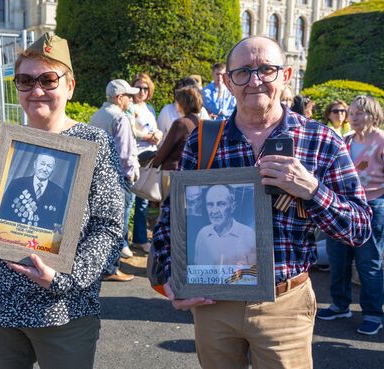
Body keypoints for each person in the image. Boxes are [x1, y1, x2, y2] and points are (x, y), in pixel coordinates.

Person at [152, 36, 372, 369]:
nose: (255, 80)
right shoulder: (204, 139)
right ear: (228, 82)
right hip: (214, 302)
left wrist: (312, 190)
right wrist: (171, 275)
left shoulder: (320, 140)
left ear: (286, 75)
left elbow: (359, 229)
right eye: (243, 72)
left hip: (284, 304)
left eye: (266, 70)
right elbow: (171, 216)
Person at [0, 33, 125, 369]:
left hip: (60, 309)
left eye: (48, 79)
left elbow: (109, 226)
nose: (36, 90)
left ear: (70, 86)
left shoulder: (93, 143)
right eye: (26, 81)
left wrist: (64, 279)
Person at [317, 95, 384, 336]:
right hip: (341, 207)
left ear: (373, 114)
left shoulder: (381, 140)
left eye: (359, 113)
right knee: (338, 258)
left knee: (369, 262)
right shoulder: (344, 141)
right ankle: (339, 305)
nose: (352, 117)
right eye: (351, 113)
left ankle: (373, 314)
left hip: (373, 206)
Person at [89, 78, 139, 281]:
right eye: (128, 96)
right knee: (118, 223)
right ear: (120, 98)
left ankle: (103, 266)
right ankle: (111, 268)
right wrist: (131, 175)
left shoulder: (96, 116)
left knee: (102, 223)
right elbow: (125, 154)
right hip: (119, 178)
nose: (130, 99)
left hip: (99, 175)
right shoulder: (120, 118)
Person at [129, 73, 161, 254]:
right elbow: (129, 129)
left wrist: (158, 135)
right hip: (135, 158)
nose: (142, 91)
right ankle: (123, 243)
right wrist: (147, 136)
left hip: (149, 157)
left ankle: (140, 239)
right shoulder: (130, 107)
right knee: (130, 202)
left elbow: (154, 128)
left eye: (145, 88)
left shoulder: (149, 107)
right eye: (139, 87)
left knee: (143, 202)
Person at [152, 86, 203, 200]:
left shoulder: (181, 123)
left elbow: (165, 149)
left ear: (182, 103)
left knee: (169, 211)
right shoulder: (202, 122)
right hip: (192, 173)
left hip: (173, 171)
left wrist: (153, 166)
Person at [0, 152, 67, 230]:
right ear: (35, 164)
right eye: (42, 164)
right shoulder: (16, 184)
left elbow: (58, 227)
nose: (45, 169)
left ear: (53, 170)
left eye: (49, 166)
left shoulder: (60, 194)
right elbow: (2, 214)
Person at [193, 185, 256, 266]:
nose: (214, 211)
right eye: (210, 204)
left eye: (221, 204)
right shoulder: (202, 234)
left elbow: (254, 273)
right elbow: (196, 270)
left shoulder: (248, 234)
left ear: (232, 207)